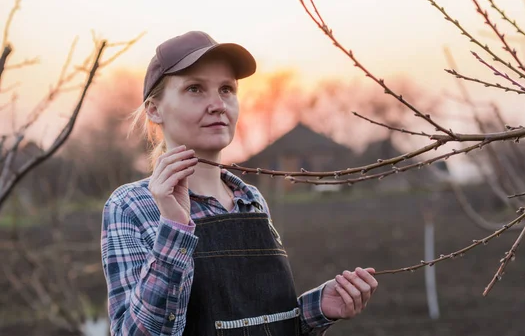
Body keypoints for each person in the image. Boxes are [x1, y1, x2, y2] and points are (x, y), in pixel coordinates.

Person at [101, 31, 378, 336]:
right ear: (154, 109)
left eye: (226, 89)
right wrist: (175, 229)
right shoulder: (131, 206)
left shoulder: (251, 200)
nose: (218, 104)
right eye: (195, 89)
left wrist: (317, 309)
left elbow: (259, 322)